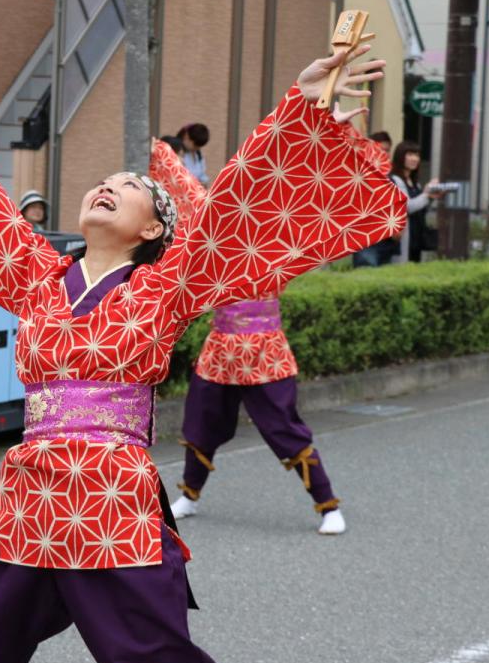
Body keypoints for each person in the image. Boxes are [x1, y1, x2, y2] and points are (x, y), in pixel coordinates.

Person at [0, 37, 404, 663]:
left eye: (130, 187)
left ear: (155, 230)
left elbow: (236, 202)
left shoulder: (166, 286)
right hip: (29, 502)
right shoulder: (37, 274)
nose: (109, 185)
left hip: (113, 505)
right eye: (105, 181)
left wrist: (301, 106)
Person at [149, 138, 370, 535]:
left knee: (284, 428)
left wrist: (329, 135)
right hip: (220, 351)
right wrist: (157, 149)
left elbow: (312, 194)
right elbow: (183, 185)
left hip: (266, 352)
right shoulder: (210, 228)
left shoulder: (279, 237)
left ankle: (327, 504)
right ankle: (189, 494)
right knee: (200, 424)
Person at [386, 141, 441, 264]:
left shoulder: (415, 183)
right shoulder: (394, 180)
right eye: (410, 154)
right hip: (403, 238)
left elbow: (421, 208)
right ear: (400, 156)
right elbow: (406, 207)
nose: (414, 159)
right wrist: (427, 195)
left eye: (417, 155)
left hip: (416, 237)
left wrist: (432, 196)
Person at [354, 131, 395, 267]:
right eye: (380, 150)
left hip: (387, 240)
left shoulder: (389, 177)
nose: (385, 154)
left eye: (387, 151)